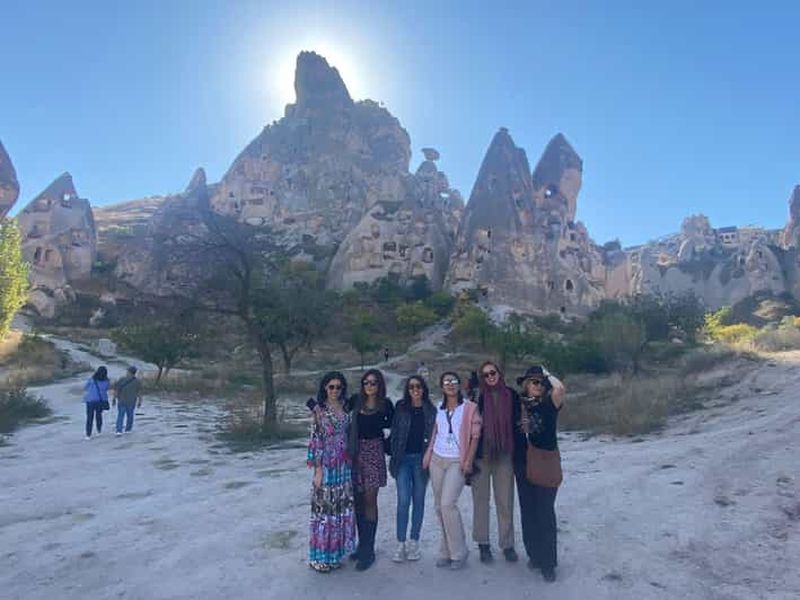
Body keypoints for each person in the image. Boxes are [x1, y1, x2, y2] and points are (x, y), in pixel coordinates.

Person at [422, 371, 481, 570]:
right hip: (437, 459)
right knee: (439, 507)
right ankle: (445, 550)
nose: (450, 384)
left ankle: (460, 552)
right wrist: (428, 454)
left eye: (454, 381)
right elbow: (435, 433)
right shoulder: (438, 408)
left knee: (448, 504)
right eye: (446, 381)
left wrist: (469, 460)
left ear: (459, 385)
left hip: (457, 460)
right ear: (441, 386)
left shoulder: (470, 408)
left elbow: (475, 436)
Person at [513, 365, 566, 582]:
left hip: (544, 462)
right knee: (528, 511)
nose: (538, 386)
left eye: (541, 383)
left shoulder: (548, 404)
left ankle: (548, 562)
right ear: (526, 385)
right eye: (534, 382)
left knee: (545, 512)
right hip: (522, 463)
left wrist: (546, 373)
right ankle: (534, 554)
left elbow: (560, 388)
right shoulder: (518, 405)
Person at [471, 361, 519, 564]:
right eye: (486, 374)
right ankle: (483, 544)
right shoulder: (477, 397)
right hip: (482, 455)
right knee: (480, 502)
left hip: (504, 455)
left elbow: (518, 423)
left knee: (505, 501)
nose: (490, 376)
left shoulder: (512, 395)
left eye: (493, 372)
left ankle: (507, 545)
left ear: (499, 373)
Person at [307, 371, 355, 573]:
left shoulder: (345, 407)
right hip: (326, 465)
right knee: (324, 511)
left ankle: (335, 554)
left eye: (339, 387)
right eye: (331, 386)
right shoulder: (319, 410)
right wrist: (317, 470)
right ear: (325, 388)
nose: (335, 390)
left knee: (339, 510)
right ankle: (319, 557)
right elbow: (315, 440)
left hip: (343, 465)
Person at [348, 368, 394, 571]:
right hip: (356, 453)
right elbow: (336, 410)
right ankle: (362, 544)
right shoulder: (355, 401)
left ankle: (369, 549)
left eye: (373, 383)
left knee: (369, 500)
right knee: (357, 501)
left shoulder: (386, 405)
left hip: (374, 452)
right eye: (366, 382)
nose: (369, 386)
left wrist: (389, 445)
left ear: (379, 385)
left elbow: (396, 426)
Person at [389, 375, 436, 562]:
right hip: (403, 460)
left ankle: (414, 541)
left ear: (424, 389)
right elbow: (394, 434)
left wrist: (429, 458)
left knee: (419, 501)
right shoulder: (401, 408)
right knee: (403, 500)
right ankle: (400, 542)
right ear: (407, 390)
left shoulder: (431, 410)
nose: (415, 390)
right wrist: (393, 456)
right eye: (411, 387)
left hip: (421, 461)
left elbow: (434, 437)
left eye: (418, 386)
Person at [112, 366, 142, 435]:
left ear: (129, 372)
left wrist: (114, 399)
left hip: (122, 401)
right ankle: (128, 429)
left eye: (127, 371)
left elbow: (116, 390)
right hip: (131, 402)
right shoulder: (137, 381)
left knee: (120, 416)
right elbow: (139, 393)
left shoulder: (122, 379)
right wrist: (140, 401)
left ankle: (119, 430)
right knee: (130, 416)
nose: (126, 372)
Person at [83, 366, 110, 439]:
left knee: (89, 417)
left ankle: (88, 434)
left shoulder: (92, 379)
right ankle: (99, 430)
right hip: (100, 401)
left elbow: (85, 387)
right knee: (99, 415)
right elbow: (107, 388)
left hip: (90, 400)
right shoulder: (107, 381)